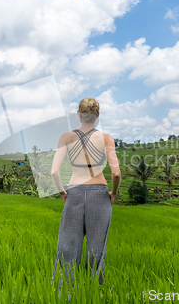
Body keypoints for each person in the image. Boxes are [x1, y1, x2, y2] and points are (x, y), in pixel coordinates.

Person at [51, 97, 121, 298]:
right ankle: (94, 295)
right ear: (98, 115)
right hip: (100, 194)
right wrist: (113, 194)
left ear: (79, 114)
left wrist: (63, 192)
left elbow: (55, 172)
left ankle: (64, 296)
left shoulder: (66, 137)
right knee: (96, 252)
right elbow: (116, 173)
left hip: (74, 191)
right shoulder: (106, 138)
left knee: (67, 249)